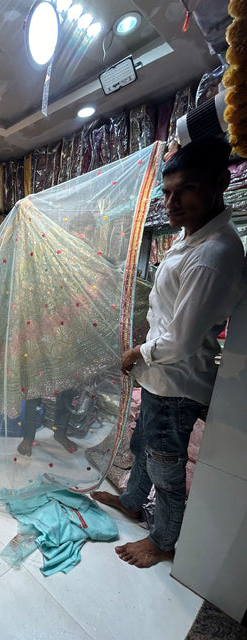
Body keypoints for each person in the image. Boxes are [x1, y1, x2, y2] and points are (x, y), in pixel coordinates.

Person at [91, 137, 245, 568]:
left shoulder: (213, 255)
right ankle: (131, 501)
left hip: (176, 383)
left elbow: (179, 341)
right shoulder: (192, 236)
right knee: (144, 445)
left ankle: (162, 542)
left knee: (166, 468)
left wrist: (136, 350)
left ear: (218, 184)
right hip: (160, 378)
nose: (173, 202)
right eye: (168, 192)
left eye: (186, 190)